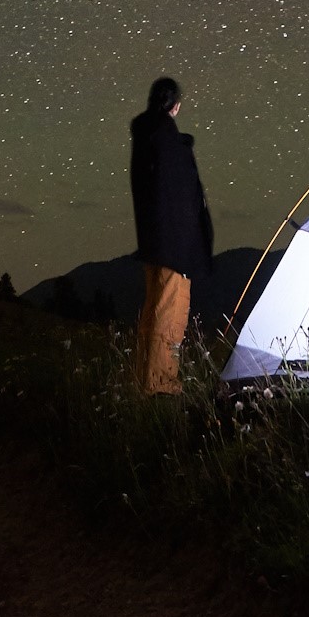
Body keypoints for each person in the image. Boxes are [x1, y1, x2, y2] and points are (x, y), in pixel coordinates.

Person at [128, 75, 213, 396]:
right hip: (174, 247)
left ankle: (146, 379)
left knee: (153, 311)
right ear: (175, 106)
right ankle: (160, 386)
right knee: (169, 313)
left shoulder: (146, 136)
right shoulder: (166, 140)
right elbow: (183, 199)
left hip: (153, 243)